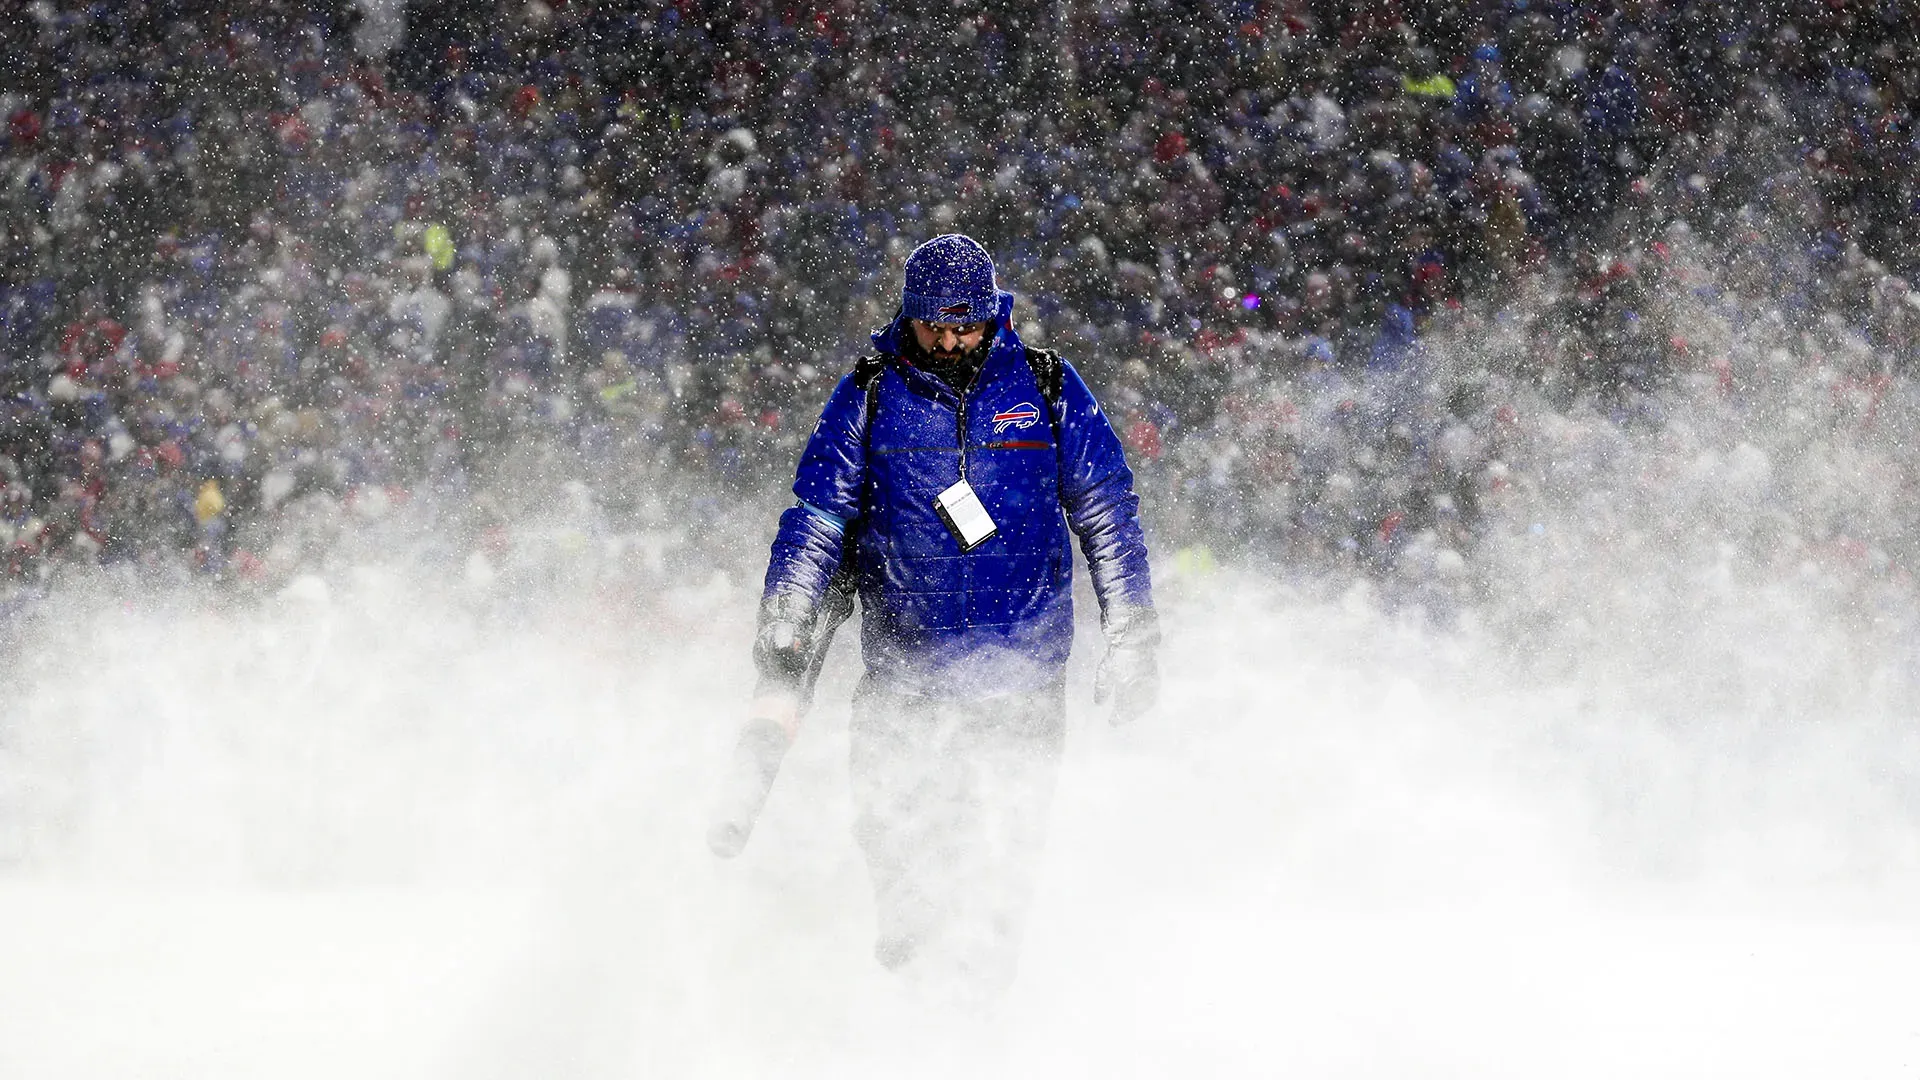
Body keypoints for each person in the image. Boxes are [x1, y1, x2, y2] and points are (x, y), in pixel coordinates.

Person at [753, 233, 1160, 998]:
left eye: (964, 324)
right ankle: (910, 970)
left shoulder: (1047, 386)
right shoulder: (869, 394)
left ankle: (982, 1007)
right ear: (907, 316)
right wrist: (787, 614)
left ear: (992, 314)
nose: (947, 340)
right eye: (932, 325)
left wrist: (1133, 636)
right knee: (890, 824)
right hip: (905, 674)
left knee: (1005, 852)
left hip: (1024, 676)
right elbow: (816, 517)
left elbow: (1108, 512)